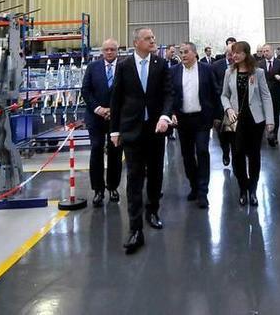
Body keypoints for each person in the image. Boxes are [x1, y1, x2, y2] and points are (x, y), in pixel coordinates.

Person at [110, 27, 174, 254]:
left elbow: (169, 94)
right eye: (148, 38)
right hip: (131, 130)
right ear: (136, 42)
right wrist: (114, 131)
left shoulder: (161, 64)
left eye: (153, 38)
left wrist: (165, 116)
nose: (153, 41)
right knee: (134, 178)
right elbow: (116, 98)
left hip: (156, 130)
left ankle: (153, 210)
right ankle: (135, 229)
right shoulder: (124, 66)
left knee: (156, 173)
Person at [221, 41, 274, 207]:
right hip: (235, 121)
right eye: (233, 52)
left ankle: (253, 189)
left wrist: (270, 120)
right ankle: (242, 187)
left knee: (254, 155)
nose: (234, 55)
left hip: (254, 120)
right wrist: (228, 109)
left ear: (246, 54)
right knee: (237, 155)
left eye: (238, 52)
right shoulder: (229, 72)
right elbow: (224, 95)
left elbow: (266, 96)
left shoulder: (257, 73)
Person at [171, 42, 221, 209]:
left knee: (202, 151)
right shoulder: (174, 71)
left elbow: (215, 93)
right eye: (181, 52)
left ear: (194, 53)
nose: (183, 55)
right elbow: (170, 95)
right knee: (187, 156)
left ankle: (203, 191)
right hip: (183, 120)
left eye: (186, 52)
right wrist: (171, 113)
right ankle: (193, 185)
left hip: (202, 119)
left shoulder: (206, 69)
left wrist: (217, 116)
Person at [80, 38, 123, 207]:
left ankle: (113, 187)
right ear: (102, 52)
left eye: (113, 49)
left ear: (117, 50)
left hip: (116, 118)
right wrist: (98, 109)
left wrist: (114, 110)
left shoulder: (124, 67)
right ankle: (98, 190)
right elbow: (85, 90)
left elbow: (127, 91)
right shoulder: (92, 67)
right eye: (107, 50)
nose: (110, 52)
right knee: (96, 150)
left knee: (115, 152)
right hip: (95, 117)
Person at [212, 44, 235, 166]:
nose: (232, 57)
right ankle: (226, 152)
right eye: (230, 54)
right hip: (221, 105)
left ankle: (236, 154)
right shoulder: (216, 66)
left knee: (236, 132)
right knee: (222, 133)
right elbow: (213, 84)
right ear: (226, 53)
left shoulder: (240, 65)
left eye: (234, 54)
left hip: (237, 105)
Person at [260, 44, 280, 147]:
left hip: (276, 93)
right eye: (263, 51)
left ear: (272, 51)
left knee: (275, 115)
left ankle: (274, 136)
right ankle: (266, 134)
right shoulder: (260, 64)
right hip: (263, 95)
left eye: (267, 51)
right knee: (264, 115)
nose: (265, 53)